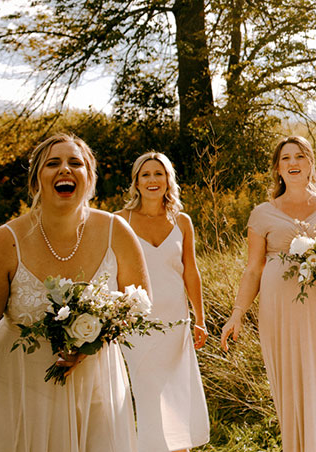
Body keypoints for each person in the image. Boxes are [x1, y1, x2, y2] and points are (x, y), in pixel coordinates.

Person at [0, 133, 149, 452]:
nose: (65, 170)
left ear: (89, 178)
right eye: (52, 163)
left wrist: (91, 342)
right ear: (36, 180)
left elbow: (138, 305)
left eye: (76, 163)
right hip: (18, 392)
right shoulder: (4, 243)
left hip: (97, 390)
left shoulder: (117, 232)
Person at [220, 136, 316, 452]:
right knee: (292, 385)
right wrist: (237, 313)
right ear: (277, 169)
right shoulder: (263, 213)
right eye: (286, 158)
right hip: (279, 311)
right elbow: (253, 269)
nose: (293, 163)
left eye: (300, 156)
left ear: (311, 163)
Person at [117, 152, 210, 452]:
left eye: (159, 173)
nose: (152, 180)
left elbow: (191, 272)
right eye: (146, 174)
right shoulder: (119, 221)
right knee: (147, 393)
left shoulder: (182, 221)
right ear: (136, 182)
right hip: (136, 324)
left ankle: (178, 448)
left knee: (175, 393)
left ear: (168, 179)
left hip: (175, 321)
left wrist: (200, 319)